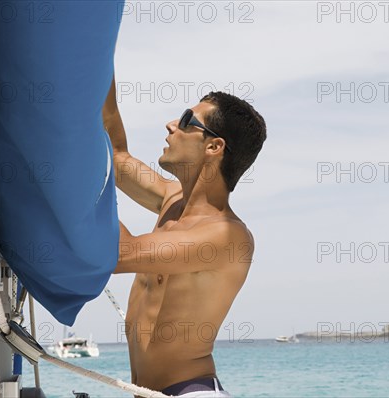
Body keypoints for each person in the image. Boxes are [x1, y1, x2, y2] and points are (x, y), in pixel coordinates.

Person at [103, 76, 266, 397]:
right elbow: (118, 157)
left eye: (187, 121)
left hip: (191, 392)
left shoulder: (225, 235)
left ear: (213, 146)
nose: (170, 125)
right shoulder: (171, 199)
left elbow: (117, 254)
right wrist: (100, 65)